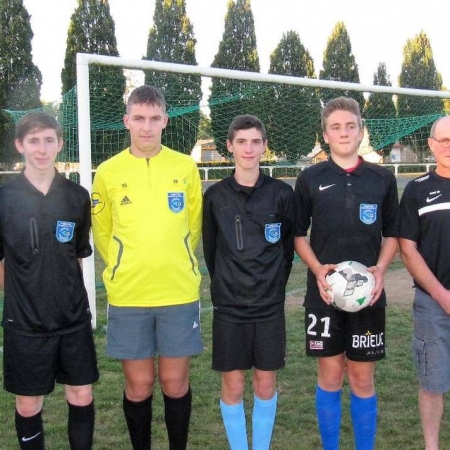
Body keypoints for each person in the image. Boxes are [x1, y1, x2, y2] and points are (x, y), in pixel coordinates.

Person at [91, 85, 203, 450]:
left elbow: (193, 226)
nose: (146, 127)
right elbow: (103, 232)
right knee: (139, 386)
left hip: (177, 291)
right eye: (139, 118)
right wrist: (124, 265)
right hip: (129, 295)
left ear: (165, 121)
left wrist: (174, 259)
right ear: (126, 121)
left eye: (154, 119)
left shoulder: (184, 166)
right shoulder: (107, 172)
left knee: (174, 383)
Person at [293, 97, 399, 450]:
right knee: (330, 376)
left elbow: (392, 233)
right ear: (325, 135)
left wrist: (380, 270)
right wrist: (317, 270)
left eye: (350, 126)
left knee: (362, 378)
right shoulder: (310, 178)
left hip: (368, 294)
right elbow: (297, 234)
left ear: (360, 131)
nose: (343, 133)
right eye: (335, 127)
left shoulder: (382, 179)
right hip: (323, 294)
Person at [0, 111, 99, 450]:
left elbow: (76, 254)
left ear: (59, 144)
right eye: (33, 141)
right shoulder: (4, 198)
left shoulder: (76, 196)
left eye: (48, 140)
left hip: (72, 319)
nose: (41, 149)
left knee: (81, 394)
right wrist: (24, 293)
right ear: (20, 145)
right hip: (25, 322)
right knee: (29, 403)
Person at [202, 114, 294, 450]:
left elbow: (287, 252)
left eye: (256, 141)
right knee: (233, 385)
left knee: (265, 383)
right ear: (229, 146)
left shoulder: (282, 194)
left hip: (269, 306)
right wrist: (228, 286)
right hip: (230, 307)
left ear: (264, 146)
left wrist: (271, 285)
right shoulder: (215, 197)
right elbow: (211, 252)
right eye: (241, 142)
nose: (249, 148)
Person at [399, 115, 450, 450]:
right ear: (431, 145)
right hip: (433, 304)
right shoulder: (417, 190)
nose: (449, 147)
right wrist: (441, 294)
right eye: (444, 140)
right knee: (433, 383)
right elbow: (407, 248)